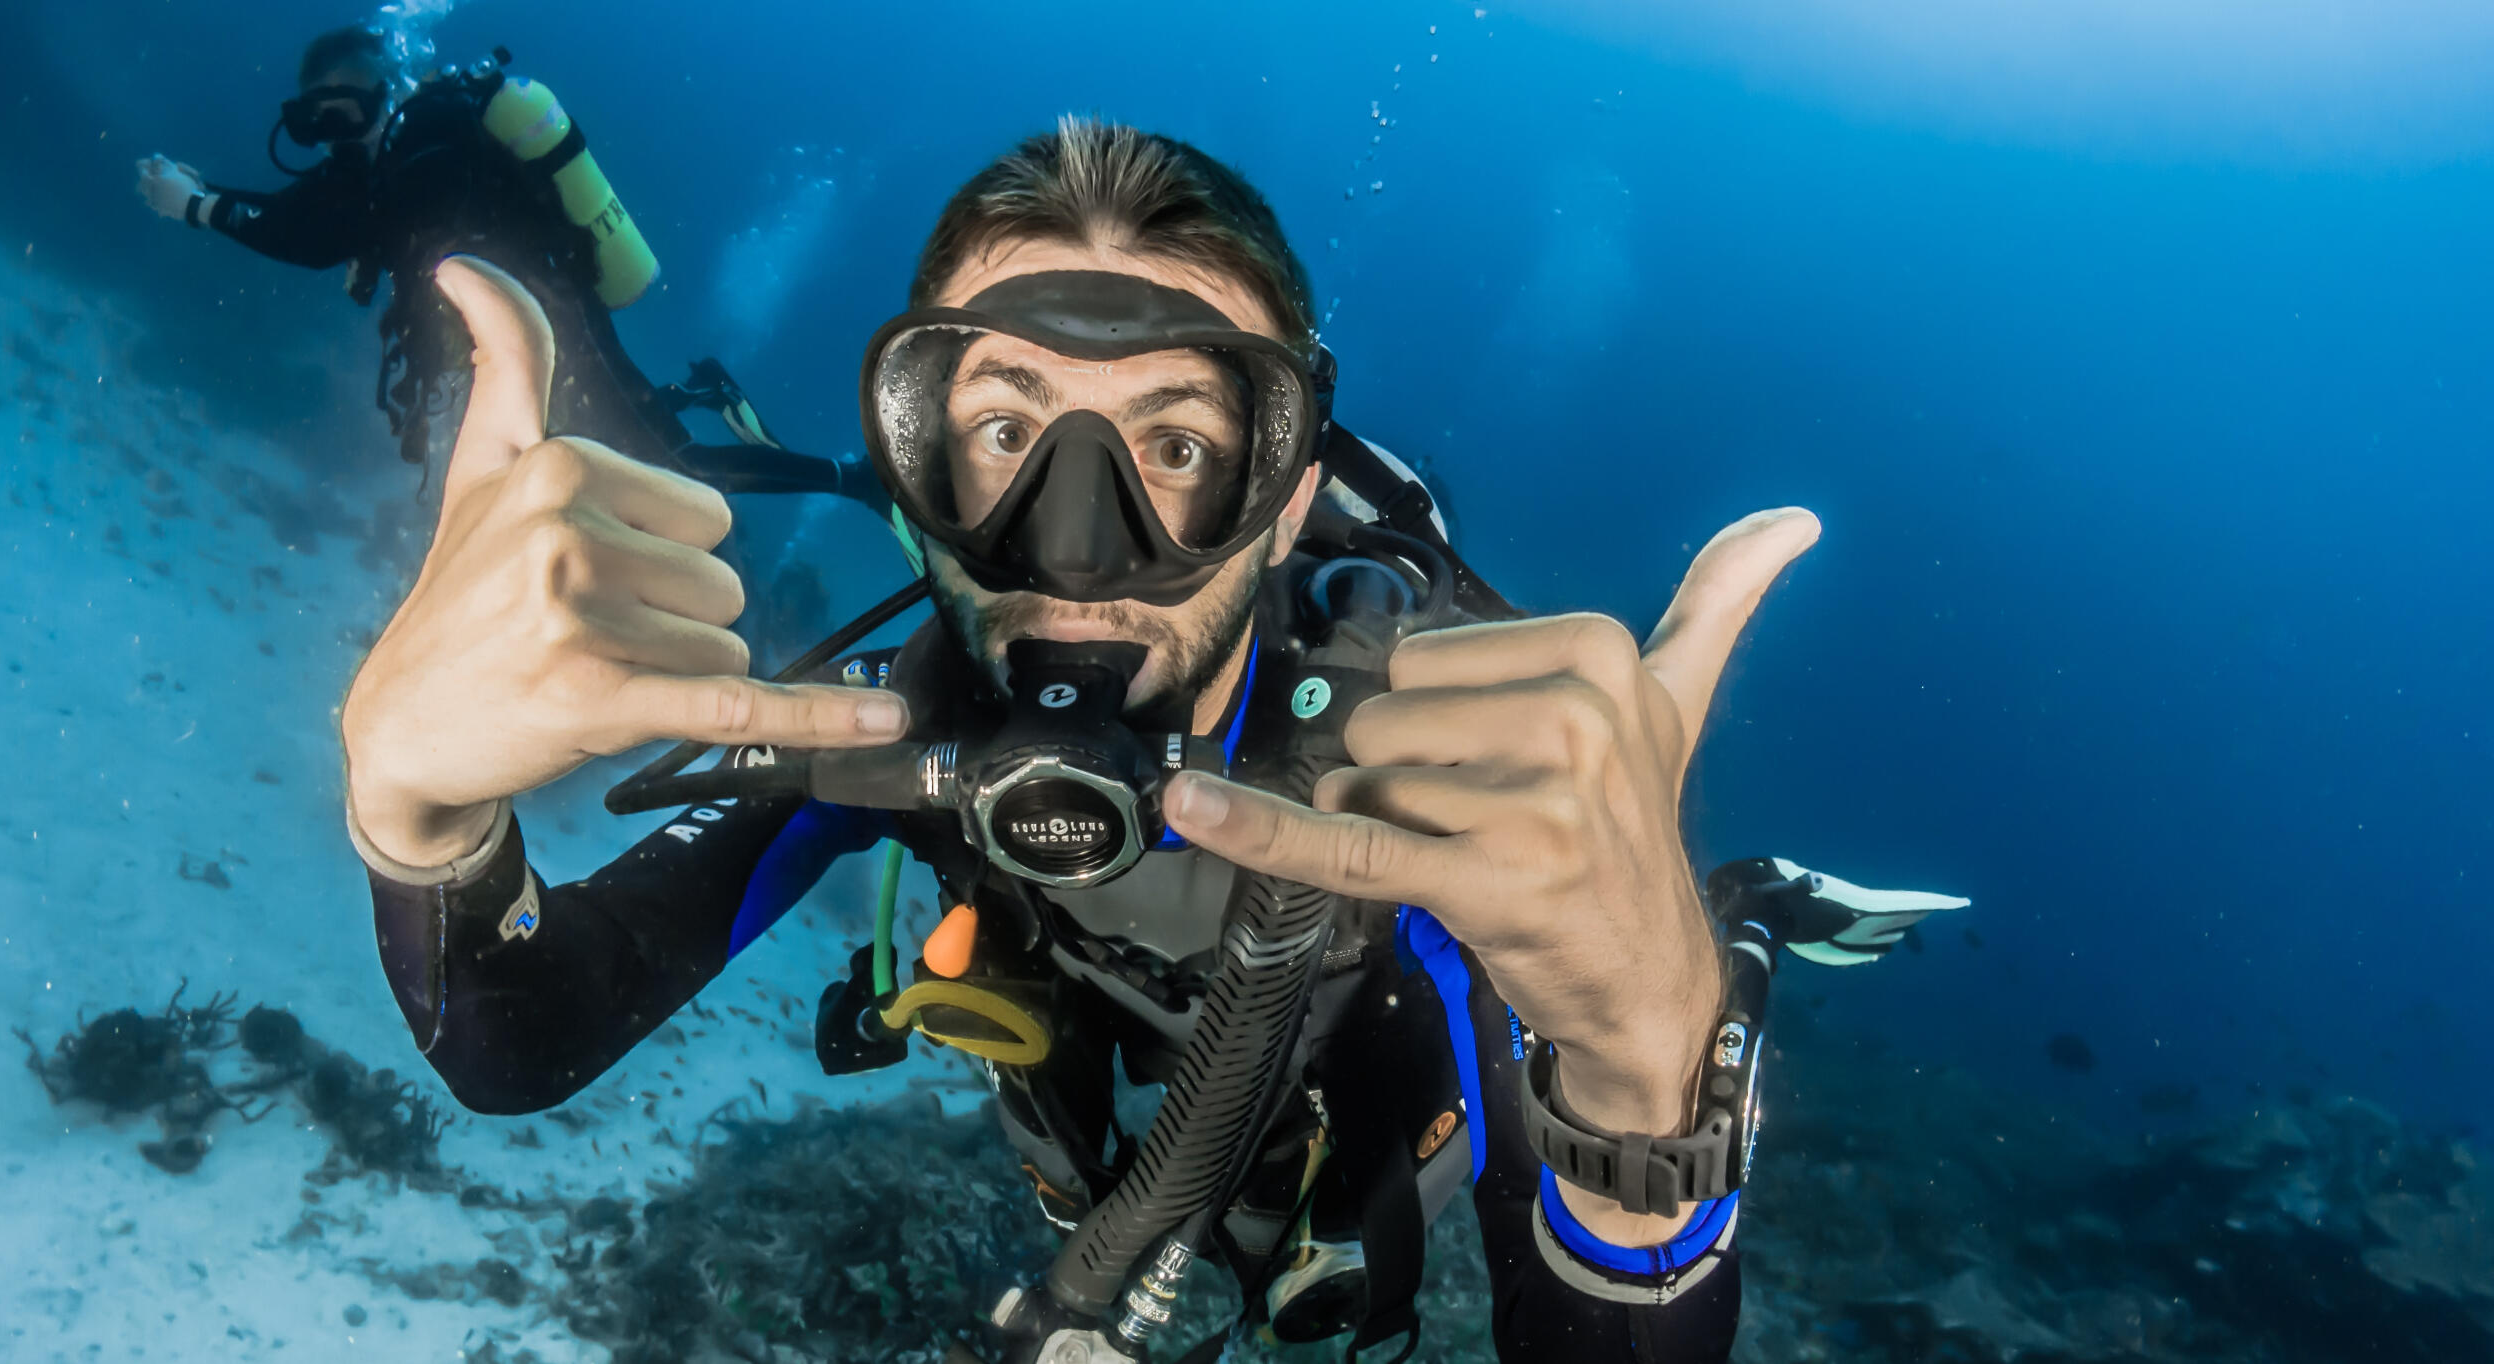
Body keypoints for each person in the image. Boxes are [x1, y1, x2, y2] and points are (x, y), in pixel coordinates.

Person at [336, 117, 1965, 1361]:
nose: (1077, 543)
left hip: (1355, 1143)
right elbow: (516, 1036)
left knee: (1459, 1142)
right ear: (914, 470)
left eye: (1177, 445)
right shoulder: (891, 718)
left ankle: (1732, 923)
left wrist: (1643, 1086)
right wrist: (416, 812)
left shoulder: (1417, 781)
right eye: (1003, 429)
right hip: (1116, 1147)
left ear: (1288, 499)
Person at [134, 23, 865, 502]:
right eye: (312, 122)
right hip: (523, 336)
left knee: (679, 470)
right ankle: (697, 391)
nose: (330, 138)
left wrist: (199, 209)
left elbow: (315, 236)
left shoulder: (423, 148)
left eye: (342, 116)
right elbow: (309, 212)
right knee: (588, 444)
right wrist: (207, 192)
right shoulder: (387, 159)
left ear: (382, 98)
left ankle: (855, 480)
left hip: (556, 324)